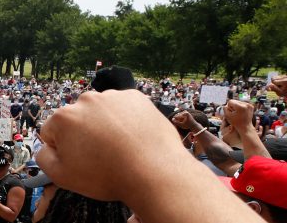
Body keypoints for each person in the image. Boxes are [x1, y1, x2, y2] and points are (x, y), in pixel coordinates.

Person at [36, 89, 266, 223]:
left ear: (256, 209)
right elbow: (229, 161)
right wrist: (244, 128)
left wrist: (143, 169)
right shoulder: (240, 171)